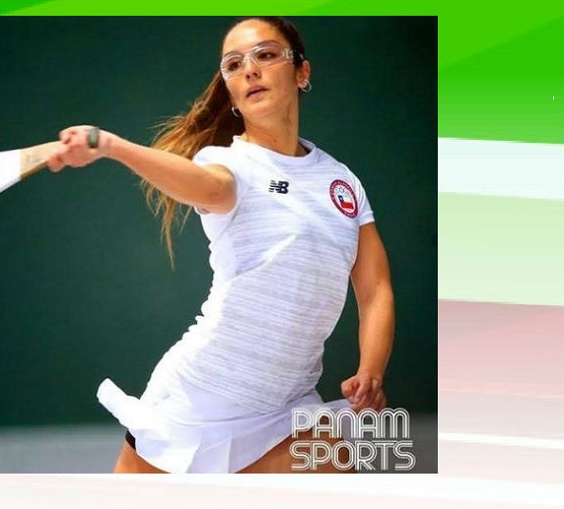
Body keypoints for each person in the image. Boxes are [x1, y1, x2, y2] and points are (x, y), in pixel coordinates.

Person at [46, 17, 394, 473]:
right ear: (229, 89)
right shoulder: (228, 164)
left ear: (301, 72)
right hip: (200, 396)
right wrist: (114, 147)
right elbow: (207, 186)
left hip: (287, 405)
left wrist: (372, 370)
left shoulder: (342, 181)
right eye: (234, 64)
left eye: (266, 55)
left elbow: (375, 290)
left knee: (343, 472)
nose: (250, 70)